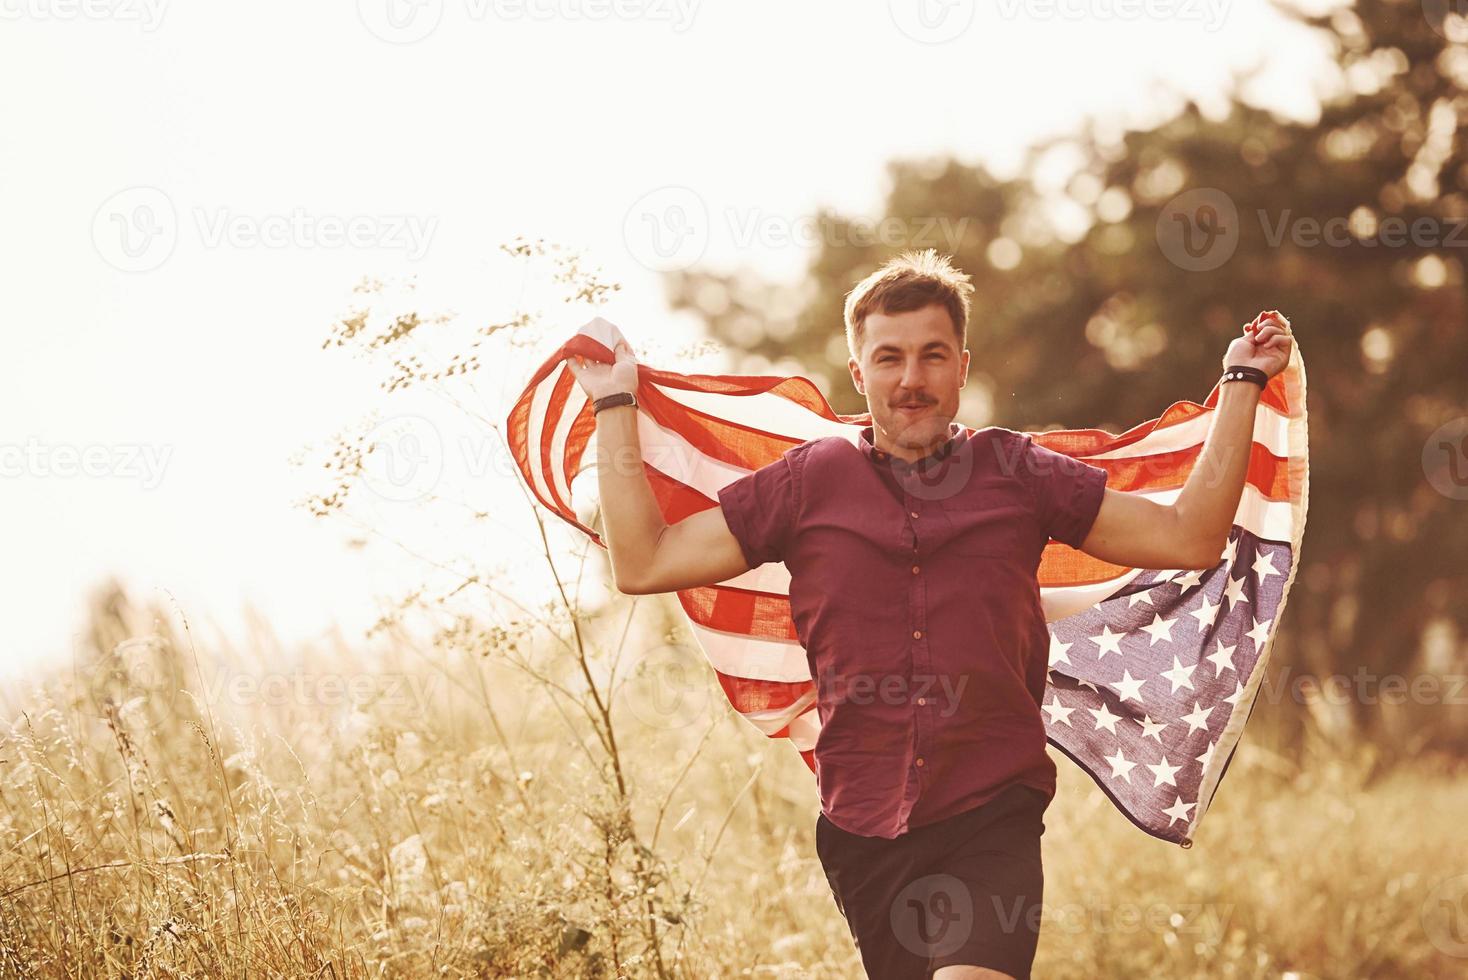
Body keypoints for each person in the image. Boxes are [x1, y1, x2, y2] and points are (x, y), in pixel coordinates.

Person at [567, 249, 1294, 979]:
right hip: (861, 831)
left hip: (991, 816)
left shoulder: (1019, 472)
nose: (911, 380)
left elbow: (1187, 538)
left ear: (962, 368)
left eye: (931, 356)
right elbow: (645, 562)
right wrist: (614, 403)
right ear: (859, 374)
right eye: (889, 359)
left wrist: (1240, 381)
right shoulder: (809, 483)